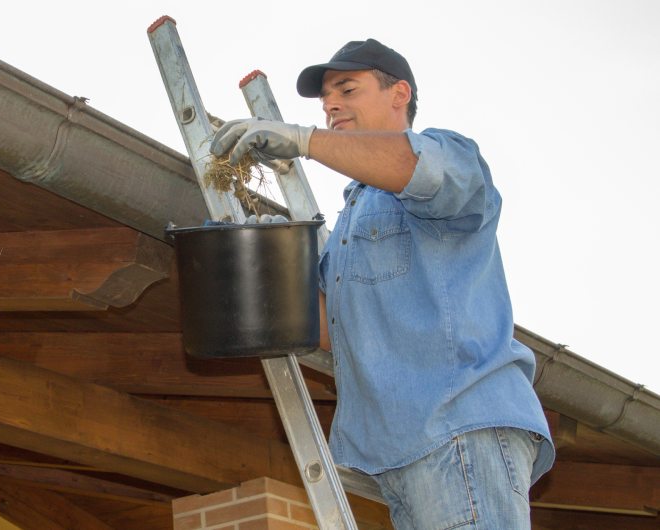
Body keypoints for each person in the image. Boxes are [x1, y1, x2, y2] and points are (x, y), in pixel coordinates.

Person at [210, 39, 555, 529]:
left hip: (457, 430)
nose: (330, 105)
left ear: (399, 94)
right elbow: (331, 327)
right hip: (394, 455)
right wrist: (255, 257)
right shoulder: (348, 223)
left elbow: (416, 169)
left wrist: (304, 140)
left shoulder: (450, 153)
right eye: (325, 99)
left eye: (347, 89)